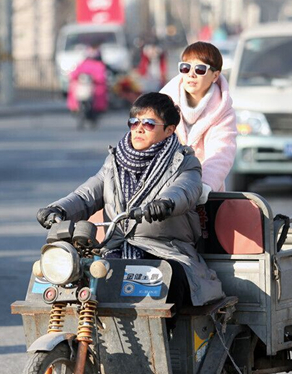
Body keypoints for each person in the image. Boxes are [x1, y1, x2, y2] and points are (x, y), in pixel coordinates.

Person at [37, 92, 224, 315]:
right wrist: (58, 208)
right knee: (74, 278)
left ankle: (164, 343)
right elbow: (86, 194)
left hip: (166, 250)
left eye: (149, 123)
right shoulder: (114, 162)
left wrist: (165, 204)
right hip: (114, 249)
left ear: (169, 130)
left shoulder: (185, 163)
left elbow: (185, 190)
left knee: (167, 281)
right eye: (134, 122)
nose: (138, 128)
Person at [160, 41, 237, 204]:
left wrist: (203, 186)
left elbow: (222, 151)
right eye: (185, 68)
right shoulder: (161, 103)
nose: (191, 74)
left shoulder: (223, 111)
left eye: (200, 69)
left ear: (215, 76)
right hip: (161, 192)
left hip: (204, 196)